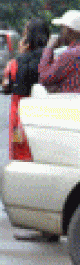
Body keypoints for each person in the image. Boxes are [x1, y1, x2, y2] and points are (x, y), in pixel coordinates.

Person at [4, 19, 54, 242]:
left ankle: (32, 219)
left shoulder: (19, 61)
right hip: (47, 114)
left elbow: (8, 83)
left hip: (20, 116)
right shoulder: (52, 57)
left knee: (22, 160)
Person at [38, 10, 80, 94]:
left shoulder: (70, 54)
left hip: (70, 104)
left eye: (62, 28)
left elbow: (44, 78)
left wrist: (49, 48)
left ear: (69, 30)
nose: (60, 33)